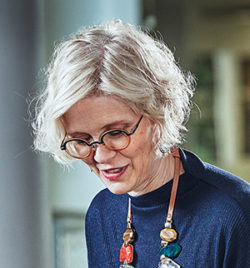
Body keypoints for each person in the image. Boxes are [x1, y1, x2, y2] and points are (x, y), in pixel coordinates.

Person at [33, 20, 250, 268]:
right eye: (82, 139)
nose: (101, 156)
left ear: (160, 112)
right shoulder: (102, 213)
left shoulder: (235, 214)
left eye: (116, 132)